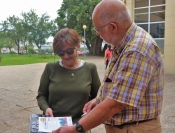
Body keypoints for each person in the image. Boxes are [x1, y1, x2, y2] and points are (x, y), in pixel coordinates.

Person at [52, 0, 164, 133]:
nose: (98, 34)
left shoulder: (137, 49)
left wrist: (76, 129)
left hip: (134, 128)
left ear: (112, 27)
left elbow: (115, 104)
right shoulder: (122, 45)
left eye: (98, 29)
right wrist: (98, 100)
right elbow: (117, 86)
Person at [36, 28, 101, 125]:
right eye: (61, 53)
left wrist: (94, 103)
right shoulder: (50, 68)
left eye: (69, 51)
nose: (66, 56)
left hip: (79, 126)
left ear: (77, 46)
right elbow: (41, 95)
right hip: (54, 124)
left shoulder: (90, 69)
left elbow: (99, 96)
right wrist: (46, 108)